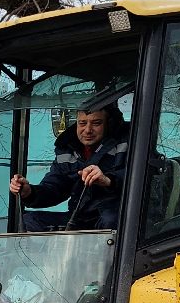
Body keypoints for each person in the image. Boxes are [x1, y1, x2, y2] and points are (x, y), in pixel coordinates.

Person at [9, 99, 130, 231]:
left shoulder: (128, 142)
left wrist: (109, 181)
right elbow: (55, 187)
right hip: (79, 219)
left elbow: (142, 178)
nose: (87, 130)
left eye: (96, 123)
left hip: (116, 219)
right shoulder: (67, 150)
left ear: (108, 124)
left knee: (111, 220)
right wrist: (29, 192)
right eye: (82, 123)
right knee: (28, 221)